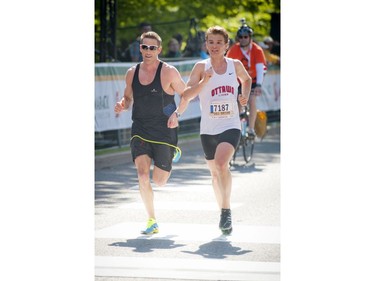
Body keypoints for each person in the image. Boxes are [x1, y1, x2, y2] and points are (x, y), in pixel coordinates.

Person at [114, 31, 188, 235]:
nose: (148, 51)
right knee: (142, 175)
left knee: (160, 181)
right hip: (140, 128)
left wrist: (177, 114)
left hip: (165, 130)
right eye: (144, 47)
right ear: (140, 48)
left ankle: (171, 154)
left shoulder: (169, 72)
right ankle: (151, 219)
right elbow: (128, 99)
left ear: (159, 50)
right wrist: (123, 104)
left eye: (152, 48)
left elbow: (186, 95)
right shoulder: (131, 73)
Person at [182, 26, 252, 235]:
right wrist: (205, 81)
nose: (214, 46)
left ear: (226, 46)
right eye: (210, 42)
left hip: (230, 125)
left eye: (218, 42)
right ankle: (222, 208)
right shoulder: (200, 67)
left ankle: (226, 210)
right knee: (214, 174)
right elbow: (186, 94)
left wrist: (244, 96)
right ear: (206, 45)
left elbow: (246, 80)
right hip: (208, 129)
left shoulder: (235, 65)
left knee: (222, 164)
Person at [226, 22, 267, 139]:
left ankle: (251, 129)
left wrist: (258, 85)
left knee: (252, 100)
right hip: (239, 80)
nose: (243, 39)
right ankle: (237, 127)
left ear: (250, 37)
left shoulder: (257, 50)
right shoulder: (234, 49)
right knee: (239, 102)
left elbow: (260, 69)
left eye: (246, 37)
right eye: (241, 37)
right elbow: (228, 66)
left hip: (253, 80)